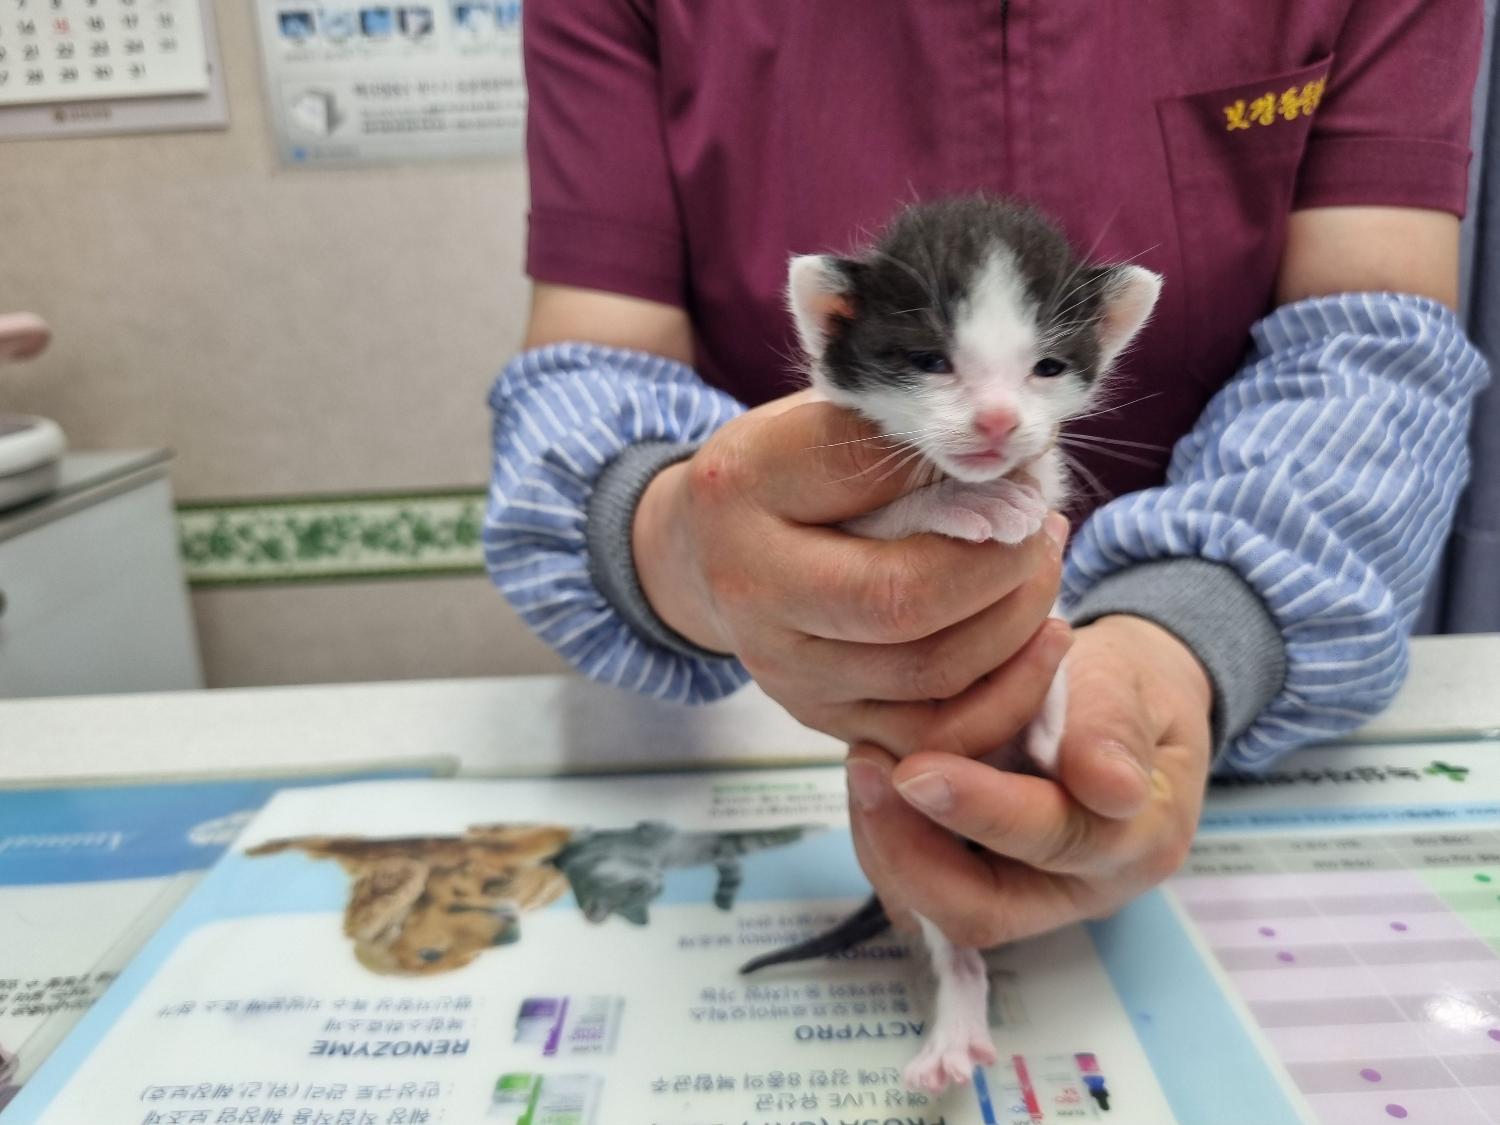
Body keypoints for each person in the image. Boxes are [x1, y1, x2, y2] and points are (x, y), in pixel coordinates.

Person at [483, 2, 1490, 949]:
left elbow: (1373, 354)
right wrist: (682, 546)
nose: (999, 419)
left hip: (1198, 731)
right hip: (756, 720)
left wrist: (1190, 632)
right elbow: (593, 374)